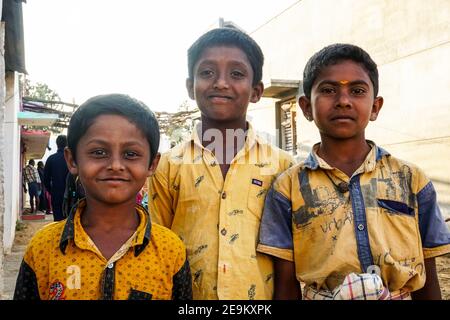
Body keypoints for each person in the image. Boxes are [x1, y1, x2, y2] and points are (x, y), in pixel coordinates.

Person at [257, 43, 450, 300]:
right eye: (328, 90)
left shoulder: (411, 179)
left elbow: (427, 275)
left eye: (357, 91)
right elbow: (285, 282)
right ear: (305, 107)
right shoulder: (287, 188)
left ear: (375, 107)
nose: (343, 101)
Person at [149, 27, 293, 300]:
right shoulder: (168, 166)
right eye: (207, 73)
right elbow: (158, 248)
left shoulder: (282, 166)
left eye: (237, 74)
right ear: (190, 86)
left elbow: (288, 255)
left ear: (256, 91)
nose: (221, 83)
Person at [14, 94, 192, 300]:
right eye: (99, 152)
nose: (115, 165)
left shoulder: (170, 251)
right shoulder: (43, 248)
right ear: (72, 160)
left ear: (152, 164)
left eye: (131, 154)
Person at [44, 135, 69, 221]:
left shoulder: (51, 159)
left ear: (57, 144)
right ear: (67, 144)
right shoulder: (72, 159)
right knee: (70, 220)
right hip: (71, 195)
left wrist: (52, 190)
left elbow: (45, 179)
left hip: (56, 194)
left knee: (58, 220)